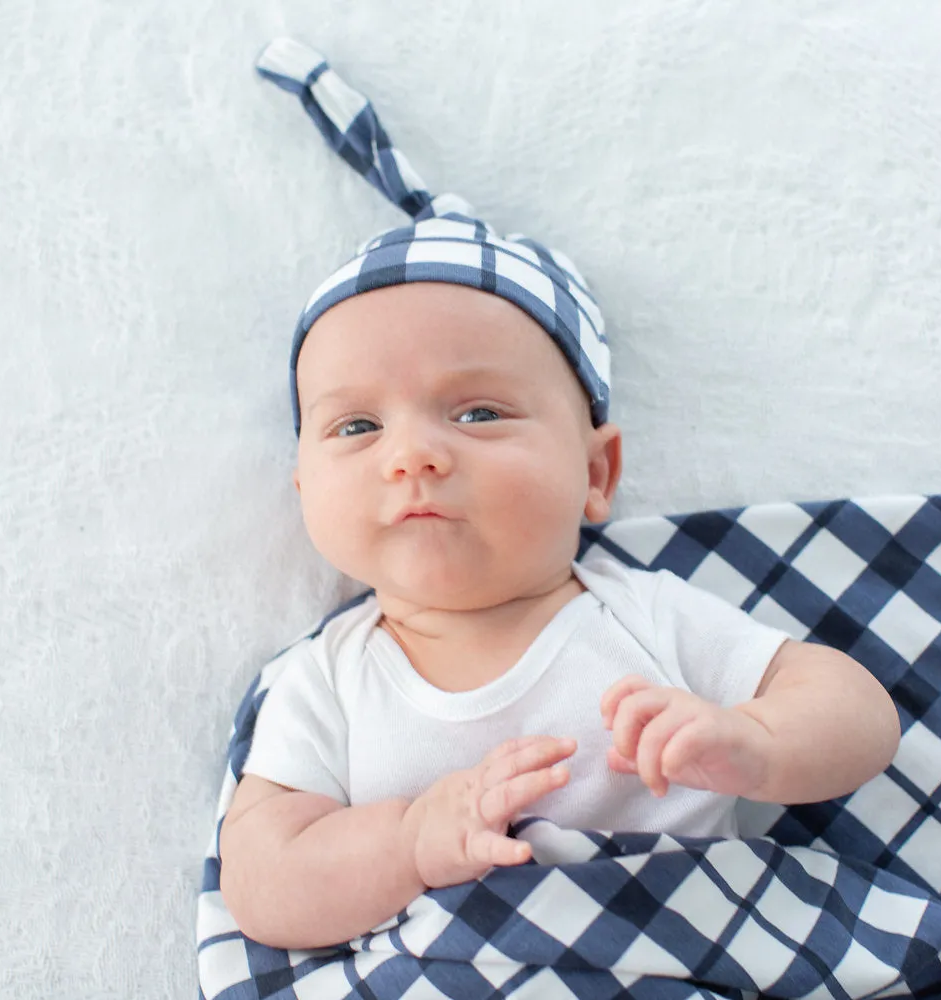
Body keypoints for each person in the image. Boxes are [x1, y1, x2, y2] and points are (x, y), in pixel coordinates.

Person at [218, 39, 901, 951]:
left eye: (478, 411)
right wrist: (409, 838)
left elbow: (859, 716)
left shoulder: (644, 621)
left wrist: (757, 742)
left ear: (595, 474)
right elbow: (264, 888)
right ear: (303, 487)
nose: (412, 456)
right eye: (355, 427)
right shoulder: (325, 684)